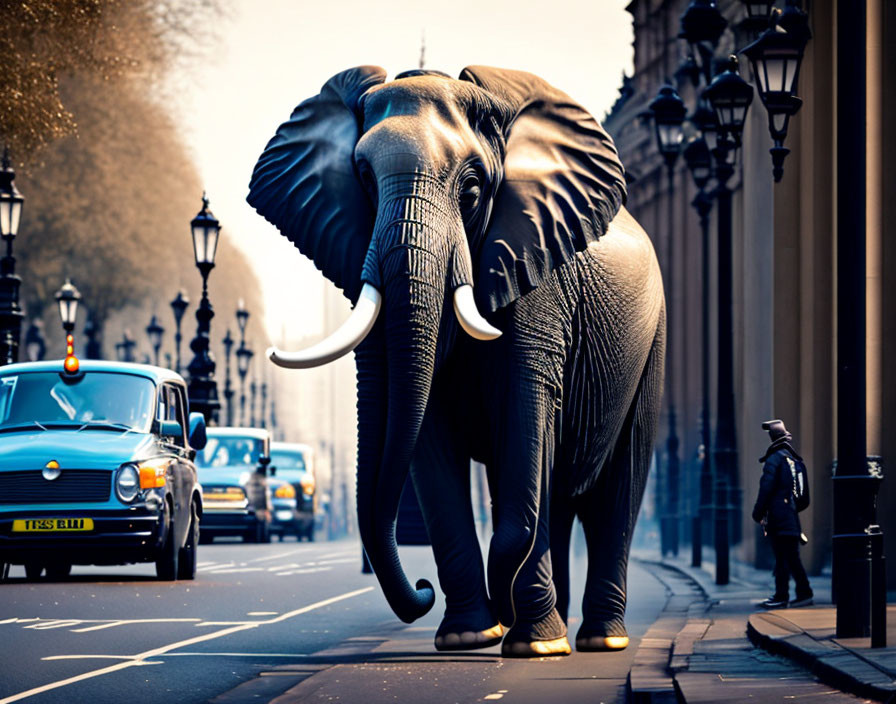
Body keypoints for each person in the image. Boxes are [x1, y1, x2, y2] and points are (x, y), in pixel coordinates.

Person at [752, 419, 813, 609]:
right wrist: (792, 510)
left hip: (778, 518)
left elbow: (766, 488)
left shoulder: (775, 459)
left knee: (782, 558)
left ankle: (782, 596)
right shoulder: (794, 460)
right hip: (791, 517)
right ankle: (803, 593)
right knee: (791, 557)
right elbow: (804, 498)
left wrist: (758, 512)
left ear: (773, 438)